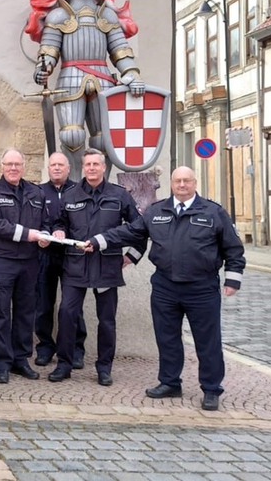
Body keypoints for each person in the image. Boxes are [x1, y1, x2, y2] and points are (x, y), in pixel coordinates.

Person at [84, 166, 245, 411]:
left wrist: (232, 280)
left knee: (207, 341)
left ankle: (211, 389)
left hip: (201, 287)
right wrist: (99, 240)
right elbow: (130, 231)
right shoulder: (157, 211)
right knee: (167, 338)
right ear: (171, 183)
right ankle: (170, 382)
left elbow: (233, 248)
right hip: (165, 286)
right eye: (177, 181)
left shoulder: (213, 212)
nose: (182, 185)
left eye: (186, 181)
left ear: (194, 183)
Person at [28, 0, 145, 180]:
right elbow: (49, 51)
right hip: (70, 78)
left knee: (104, 140)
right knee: (72, 135)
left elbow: (120, 50)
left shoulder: (106, 16)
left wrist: (132, 74)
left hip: (103, 79)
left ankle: (103, 184)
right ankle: (73, 186)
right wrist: (43, 68)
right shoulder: (58, 16)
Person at [47, 148, 145, 386]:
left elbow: (138, 228)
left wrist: (131, 256)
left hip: (106, 266)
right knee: (67, 314)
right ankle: (64, 364)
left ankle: (104, 368)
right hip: (75, 265)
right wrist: (58, 230)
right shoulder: (70, 195)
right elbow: (60, 221)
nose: (91, 168)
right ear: (83, 168)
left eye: (95, 164)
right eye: (87, 164)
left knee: (107, 320)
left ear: (104, 167)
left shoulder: (119, 195)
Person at [0, 148, 51, 384]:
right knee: (0, 313)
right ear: (2, 167)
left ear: (23, 166)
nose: (13, 168)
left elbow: (47, 221)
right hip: (2, 260)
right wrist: (27, 234)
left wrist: (47, 234)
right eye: (9, 164)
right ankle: (2, 363)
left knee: (25, 313)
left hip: (29, 261)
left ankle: (21, 359)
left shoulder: (36, 192)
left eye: (17, 164)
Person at [34, 152, 86, 368]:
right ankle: (45, 348)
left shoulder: (79, 191)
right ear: (48, 168)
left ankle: (75, 350)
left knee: (73, 306)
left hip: (72, 256)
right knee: (44, 305)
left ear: (68, 168)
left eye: (60, 165)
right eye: (53, 165)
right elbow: (34, 218)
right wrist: (41, 236)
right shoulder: (38, 192)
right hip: (45, 255)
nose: (56, 168)